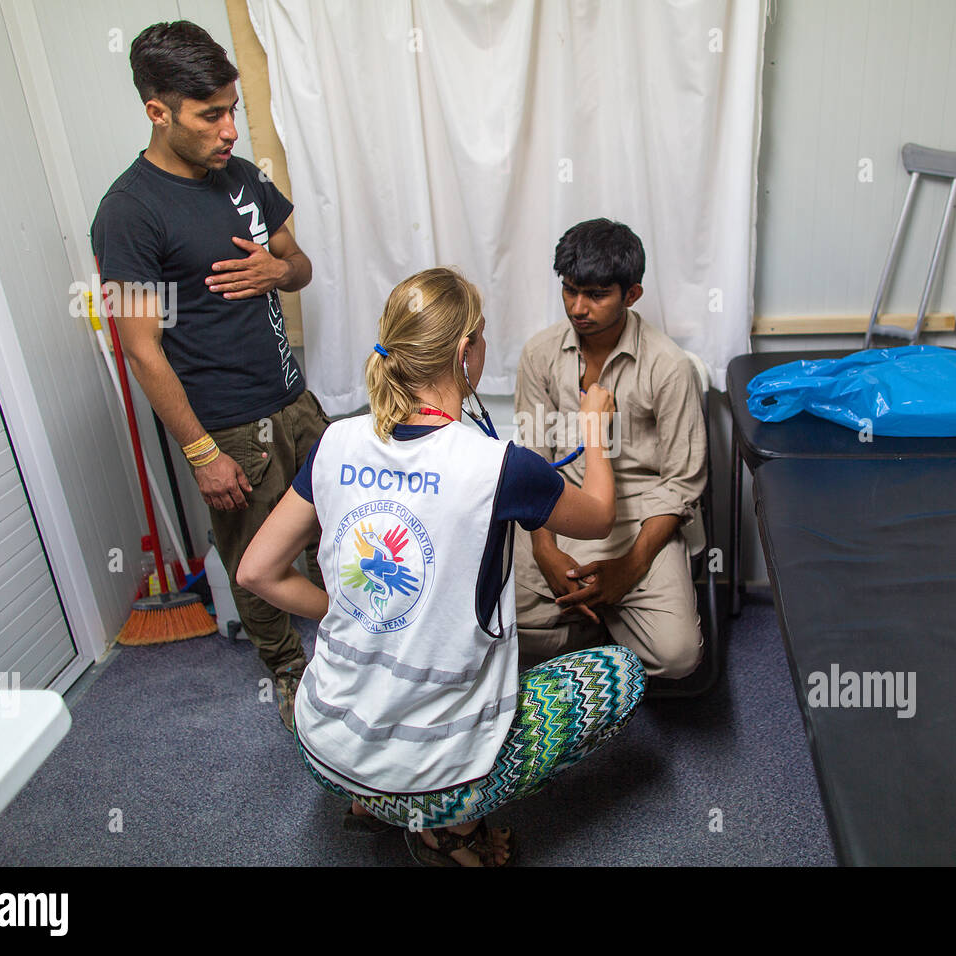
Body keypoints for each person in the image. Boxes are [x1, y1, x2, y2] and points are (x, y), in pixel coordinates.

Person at [237, 268, 646, 866]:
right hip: (435, 772)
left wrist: (356, 612)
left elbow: (255, 572)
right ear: (464, 352)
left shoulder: (335, 442)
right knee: (622, 675)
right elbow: (601, 517)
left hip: (322, 745)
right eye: (479, 339)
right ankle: (448, 825)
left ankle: (368, 801)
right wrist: (594, 430)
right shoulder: (501, 467)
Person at [91, 21, 327, 729]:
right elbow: (140, 348)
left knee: (345, 537)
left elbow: (301, 264)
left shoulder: (242, 176)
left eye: (233, 110)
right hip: (228, 427)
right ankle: (290, 677)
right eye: (211, 115)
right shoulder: (129, 213)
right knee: (257, 568)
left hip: (297, 404)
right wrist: (201, 452)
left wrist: (279, 270)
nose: (230, 129)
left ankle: (357, 651)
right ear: (157, 110)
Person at [513, 219, 708, 679]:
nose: (579, 308)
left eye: (597, 295)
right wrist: (544, 547)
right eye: (570, 291)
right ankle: (602, 624)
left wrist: (628, 569)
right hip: (557, 507)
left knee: (678, 657)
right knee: (496, 627)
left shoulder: (669, 367)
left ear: (632, 294)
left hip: (641, 517)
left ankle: (598, 616)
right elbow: (534, 464)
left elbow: (681, 485)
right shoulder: (539, 355)